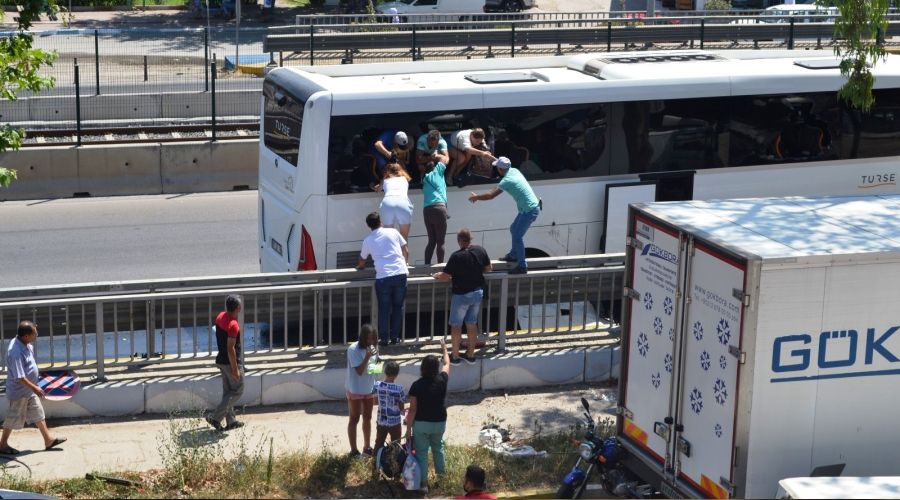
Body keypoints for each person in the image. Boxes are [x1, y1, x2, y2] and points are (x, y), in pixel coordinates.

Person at [0, 321, 66, 455]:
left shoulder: (25, 344)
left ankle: (48, 440)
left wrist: (34, 385)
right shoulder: (15, 351)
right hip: (19, 392)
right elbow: (19, 377)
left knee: (38, 414)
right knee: (13, 418)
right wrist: (35, 388)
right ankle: (2, 444)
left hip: (28, 389)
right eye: (34, 334)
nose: (37, 335)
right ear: (26, 336)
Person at [467, 156, 539, 274]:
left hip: (529, 210)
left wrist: (476, 197)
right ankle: (513, 255)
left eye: (497, 167)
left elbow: (491, 195)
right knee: (513, 228)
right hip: (529, 208)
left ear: (500, 169)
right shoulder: (514, 171)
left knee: (517, 236)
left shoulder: (507, 181)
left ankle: (522, 266)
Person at [432, 228, 491, 364]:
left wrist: (437, 275)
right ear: (471, 239)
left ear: (459, 241)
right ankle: (470, 355)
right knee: (471, 323)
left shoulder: (456, 256)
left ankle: (455, 357)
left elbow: (446, 276)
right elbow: (488, 268)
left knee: (456, 325)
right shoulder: (480, 250)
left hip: (461, 295)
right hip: (477, 293)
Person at [357, 211, 410, 346]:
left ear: (369, 226)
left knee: (384, 309)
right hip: (400, 273)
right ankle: (395, 337)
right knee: (398, 307)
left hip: (383, 277)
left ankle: (384, 339)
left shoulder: (368, 240)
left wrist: (360, 266)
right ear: (380, 221)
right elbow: (406, 250)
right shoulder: (393, 232)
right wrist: (405, 263)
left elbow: (362, 261)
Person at [405, 339, 451, 493]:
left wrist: (408, 429)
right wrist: (444, 348)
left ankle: (424, 484)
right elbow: (447, 363)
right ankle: (442, 480)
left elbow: (412, 410)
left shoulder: (416, 385)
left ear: (422, 368)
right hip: (439, 422)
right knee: (438, 448)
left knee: (422, 453)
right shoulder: (442, 380)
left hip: (421, 424)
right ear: (436, 368)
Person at [207, 294, 245, 431]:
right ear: (238, 308)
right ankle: (215, 417)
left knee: (228, 392)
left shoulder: (220, 316)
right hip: (230, 363)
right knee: (238, 390)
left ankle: (231, 421)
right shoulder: (233, 325)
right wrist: (235, 369)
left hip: (221, 361)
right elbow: (231, 348)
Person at [346, 324, 379, 457]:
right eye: (368, 339)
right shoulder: (353, 349)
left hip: (369, 389)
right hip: (355, 388)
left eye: (373, 339)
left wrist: (377, 361)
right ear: (362, 338)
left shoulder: (374, 347)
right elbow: (359, 371)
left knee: (367, 417)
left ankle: (367, 447)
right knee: (354, 418)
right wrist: (367, 357)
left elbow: (375, 371)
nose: (370, 342)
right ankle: (353, 451)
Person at [375, 162, 414, 245]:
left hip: (388, 202)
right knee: (404, 239)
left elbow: (378, 190)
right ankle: (404, 253)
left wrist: (378, 186)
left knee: (389, 237)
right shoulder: (404, 178)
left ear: (387, 171)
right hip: (403, 202)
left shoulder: (385, 180)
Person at [373, 360, 406, 455]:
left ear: (385, 372)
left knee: (379, 443)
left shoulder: (377, 385)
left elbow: (375, 402)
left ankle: (376, 460)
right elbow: (401, 407)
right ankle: (394, 461)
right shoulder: (399, 388)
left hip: (381, 420)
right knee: (396, 444)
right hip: (395, 422)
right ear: (396, 374)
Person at [422, 160, 449, 264]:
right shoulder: (437, 172)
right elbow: (445, 159)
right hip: (439, 209)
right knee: (440, 241)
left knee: (431, 241)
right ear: (435, 168)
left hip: (427, 210)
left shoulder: (424, 179)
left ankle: (426, 266)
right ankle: (440, 266)